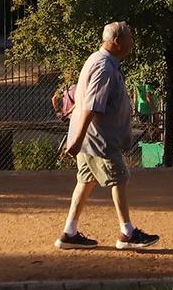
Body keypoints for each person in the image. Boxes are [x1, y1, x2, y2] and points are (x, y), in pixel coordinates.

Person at [55, 21, 160, 250]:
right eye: (129, 38)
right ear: (117, 42)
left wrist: (79, 138)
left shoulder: (101, 60)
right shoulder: (104, 67)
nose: (132, 43)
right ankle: (127, 233)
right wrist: (77, 140)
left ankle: (69, 233)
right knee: (120, 178)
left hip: (91, 138)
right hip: (99, 140)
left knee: (86, 180)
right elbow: (92, 106)